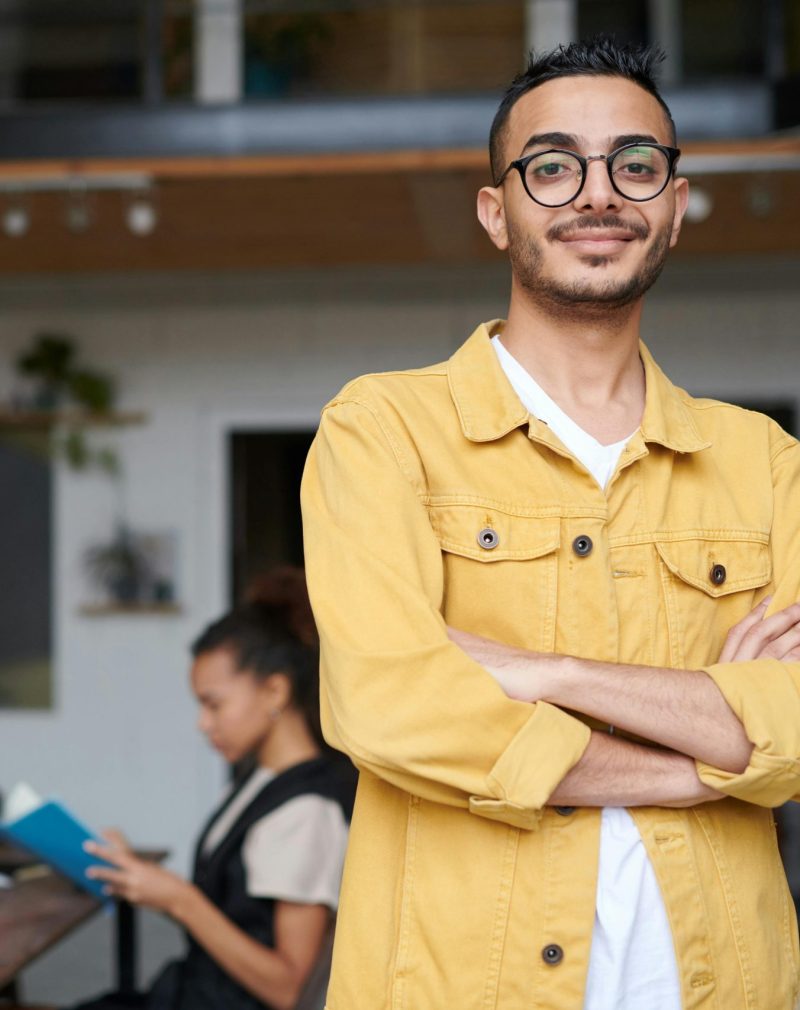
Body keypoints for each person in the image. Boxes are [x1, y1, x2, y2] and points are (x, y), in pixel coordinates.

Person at [300, 36, 800, 1010]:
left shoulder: (764, 463)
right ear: (497, 210)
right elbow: (388, 704)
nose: (596, 193)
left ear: (674, 206)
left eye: (635, 165)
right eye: (552, 165)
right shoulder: (382, 430)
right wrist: (698, 762)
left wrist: (544, 673)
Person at [70, 568, 356, 1010]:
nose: (203, 724)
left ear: (275, 691)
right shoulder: (258, 781)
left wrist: (181, 899)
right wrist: (144, 880)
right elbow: (229, 915)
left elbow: (288, 989)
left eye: (214, 704)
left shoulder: (306, 811)